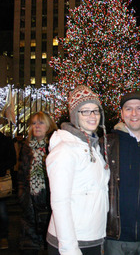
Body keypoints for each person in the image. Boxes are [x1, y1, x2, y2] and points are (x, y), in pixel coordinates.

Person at [46, 85, 110, 255]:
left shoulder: (94, 146)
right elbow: (60, 203)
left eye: (96, 110)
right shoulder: (64, 150)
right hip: (72, 241)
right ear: (75, 115)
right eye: (85, 111)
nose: (92, 116)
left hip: (93, 236)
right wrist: (69, 249)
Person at [101, 91, 140, 255]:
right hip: (116, 238)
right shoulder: (107, 144)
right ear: (122, 113)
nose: (134, 113)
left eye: (139, 108)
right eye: (128, 109)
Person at [18, 111, 57, 254]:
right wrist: (22, 195)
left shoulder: (55, 147)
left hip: (48, 201)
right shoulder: (27, 147)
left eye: (41, 122)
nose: (37, 126)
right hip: (30, 203)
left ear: (49, 126)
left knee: (49, 243)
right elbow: (22, 175)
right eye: (34, 123)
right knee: (30, 245)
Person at [0, 132, 16, 250]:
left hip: (1, 179)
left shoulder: (5, 141)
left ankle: (3, 236)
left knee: (2, 211)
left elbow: (12, 160)